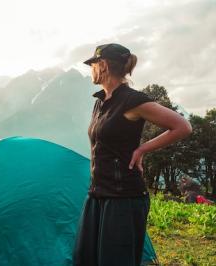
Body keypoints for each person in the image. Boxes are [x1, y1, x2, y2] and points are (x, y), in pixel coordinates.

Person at [72, 43, 192, 266]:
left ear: (104, 65)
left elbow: (182, 126)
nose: (91, 69)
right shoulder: (101, 102)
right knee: (85, 259)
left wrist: (143, 149)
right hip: (98, 194)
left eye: (93, 64)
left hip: (123, 198)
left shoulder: (132, 100)